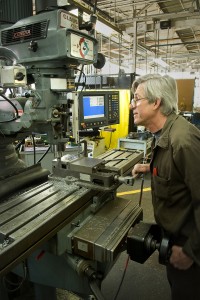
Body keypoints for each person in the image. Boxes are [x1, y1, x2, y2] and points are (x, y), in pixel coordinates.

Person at [131, 74, 200, 300]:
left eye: (137, 99)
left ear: (156, 102)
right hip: (173, 238)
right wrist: (150, 167)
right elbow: (177, 175)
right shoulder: (163, 134)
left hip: (190, 247)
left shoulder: (183, 141)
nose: (132, 104)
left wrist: (191, 251)